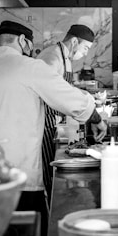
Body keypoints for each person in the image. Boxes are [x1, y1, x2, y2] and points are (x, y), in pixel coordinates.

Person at [0, 20, 107, 236]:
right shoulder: (30, 68)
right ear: (23, 41)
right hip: (20, 180)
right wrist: (96, 117)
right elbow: (70, 99)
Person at [36, 24, 95, 204]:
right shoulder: (51, 56)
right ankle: (48, 214)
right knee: (47, 172)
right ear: (75, 41)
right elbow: (51, 93)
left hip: (53, 121)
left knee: (50, 168)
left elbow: (65, 89)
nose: (85, 53)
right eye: (85, 48)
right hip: (43, 121)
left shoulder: (65, 57)